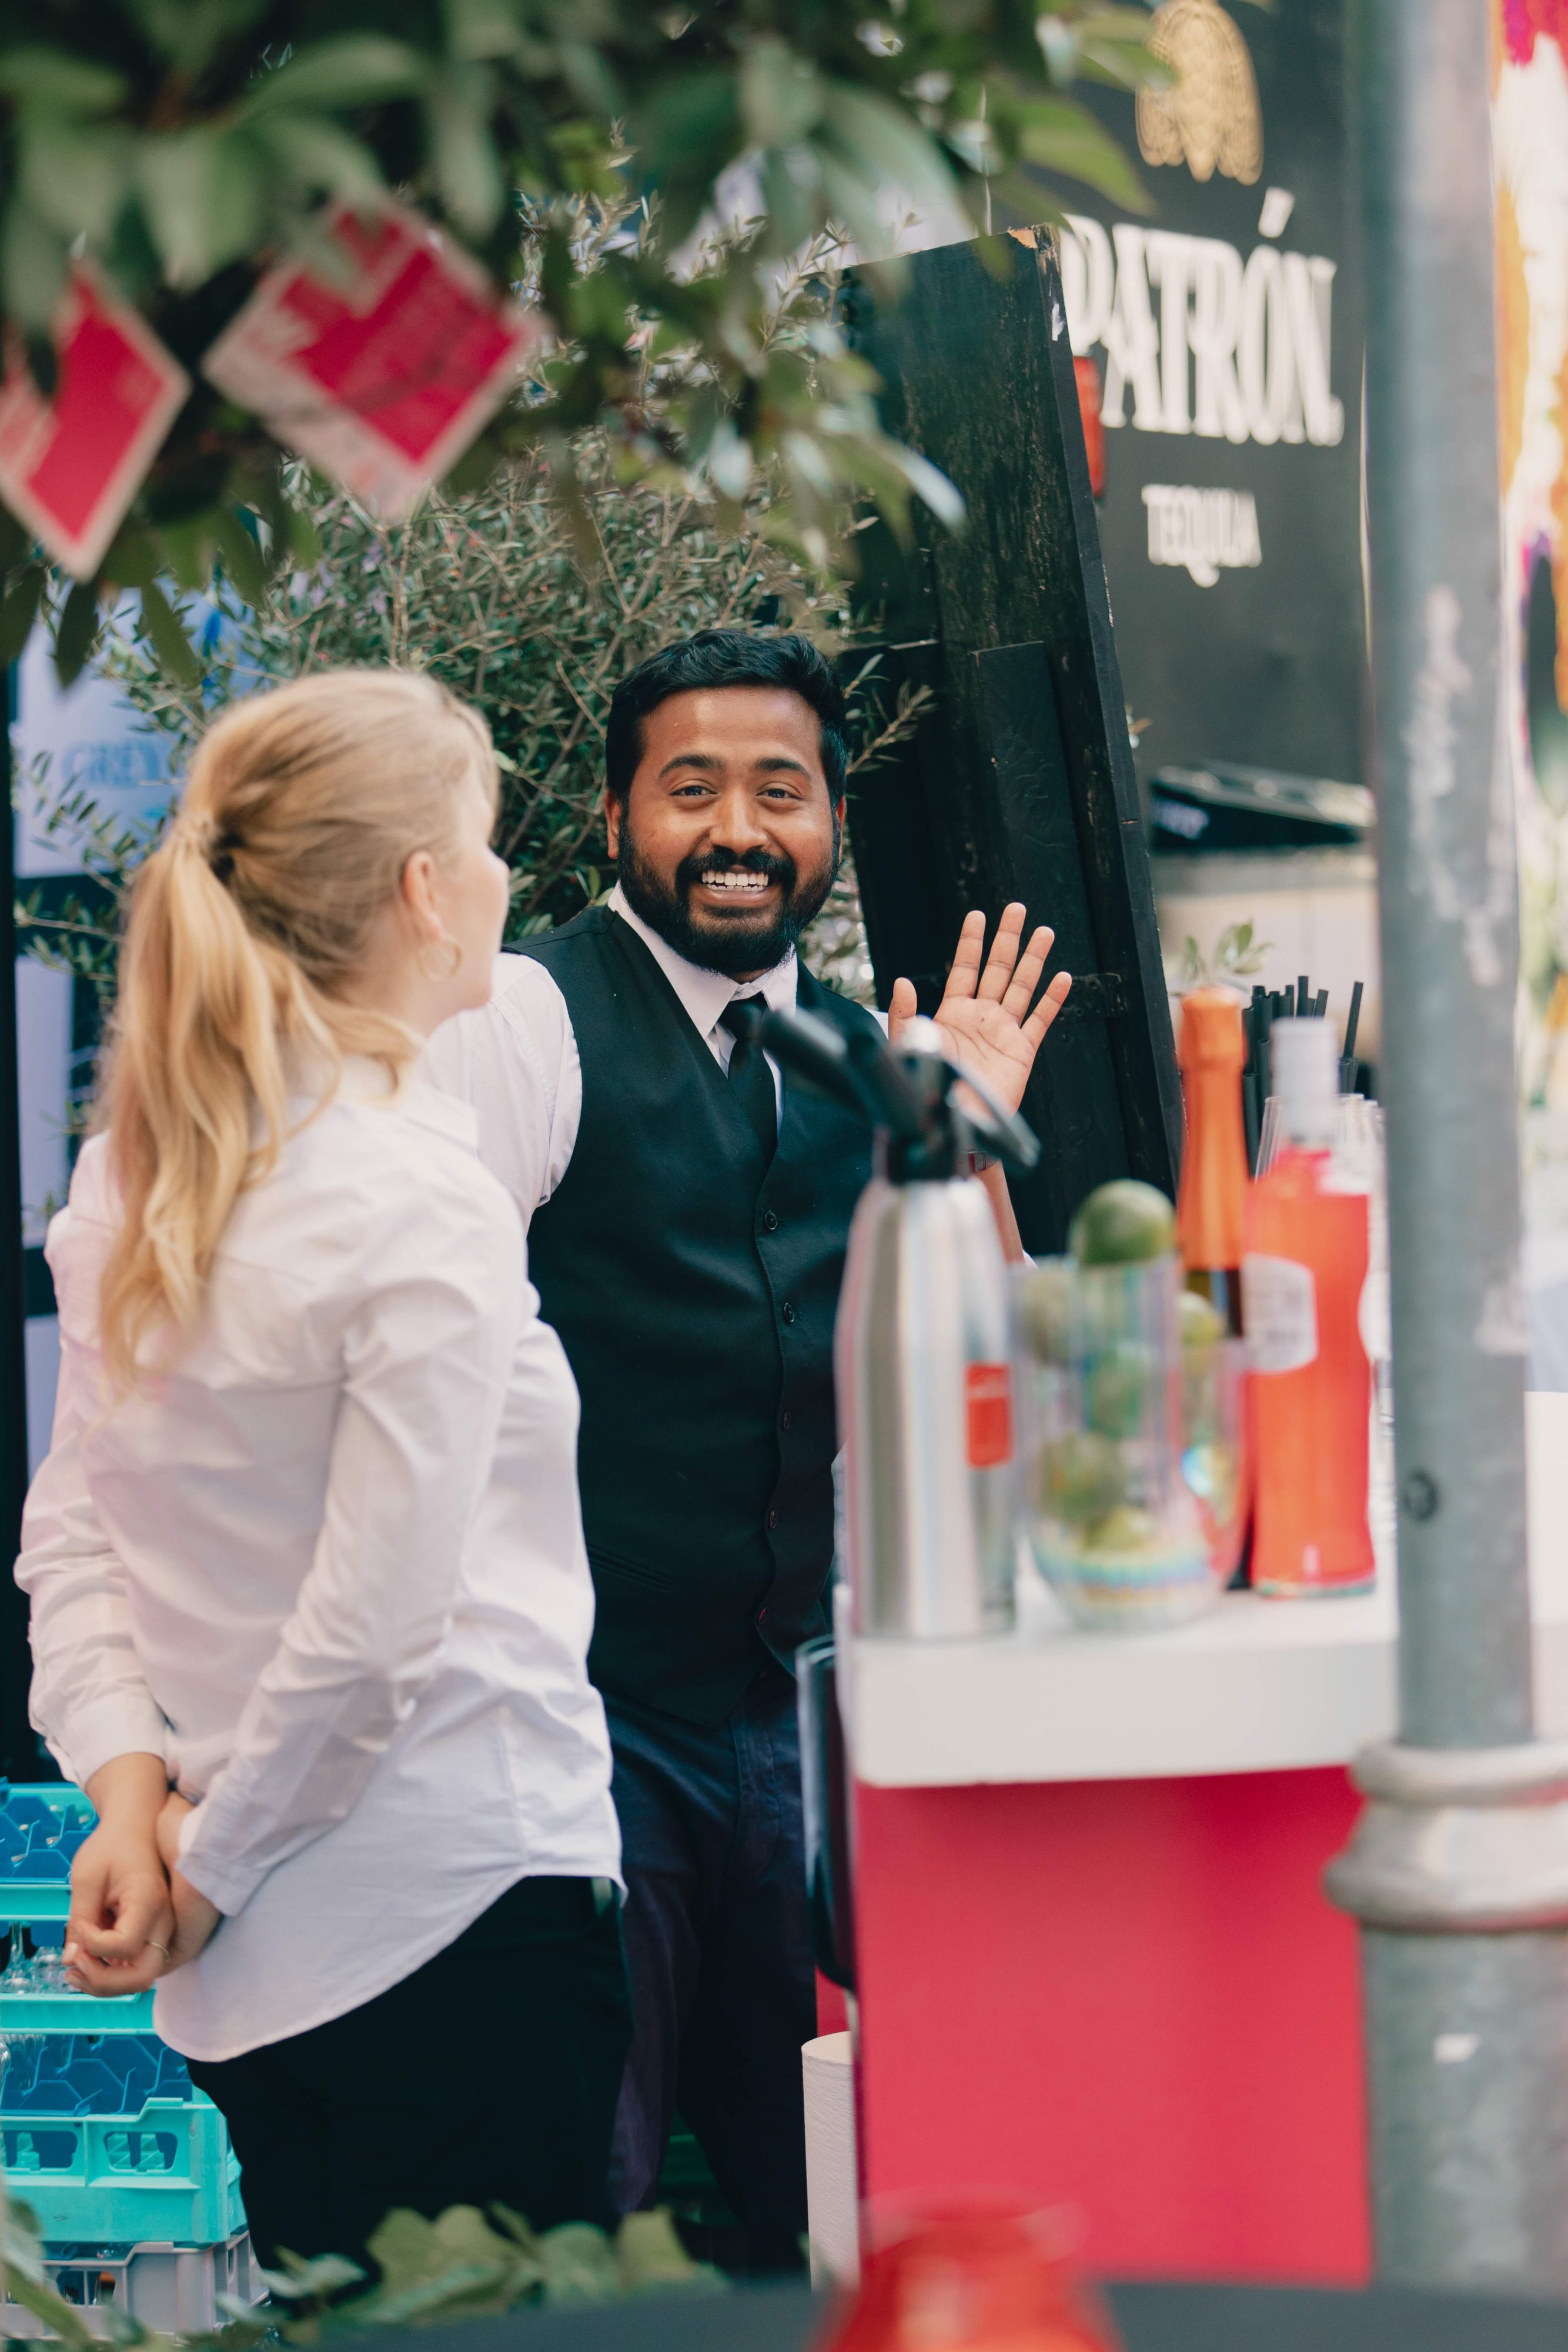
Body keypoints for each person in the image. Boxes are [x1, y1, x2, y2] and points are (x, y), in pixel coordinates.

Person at [423, 630, 1072, 2269]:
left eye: (778, 790)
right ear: (616, 808)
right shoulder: (528, 1022)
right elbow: (433, 1346)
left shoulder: (868, 1056)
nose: (734, 828)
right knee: (597, 2200)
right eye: (689, 787)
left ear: (832, 821)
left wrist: (965, 1135)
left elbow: (982, 1394)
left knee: (834, 2200)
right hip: (583, 1718)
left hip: (790, 1720)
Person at [14, 670, 628, 2271]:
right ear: (427, 892)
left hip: (261, 1980)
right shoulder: (418, 1199)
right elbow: (375, 1631)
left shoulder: (134, 1175)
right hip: (459, 1913)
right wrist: (197, 1872)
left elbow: (74, 1527)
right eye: (487, 845)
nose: (506, 884)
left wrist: (131, 1800)